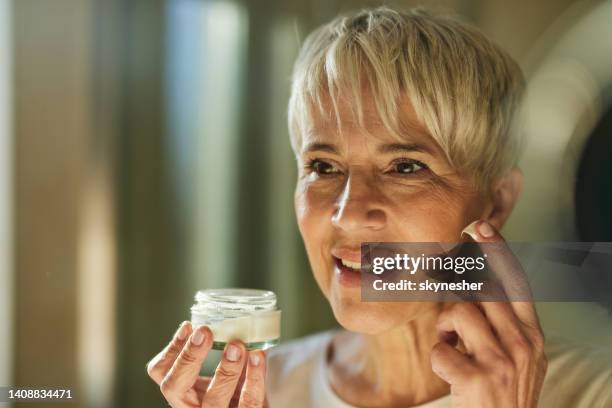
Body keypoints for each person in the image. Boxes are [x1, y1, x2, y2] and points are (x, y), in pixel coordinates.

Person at [146, 7, 612, 407]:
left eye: (406, 167)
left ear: (496, 202)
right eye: (323, 166)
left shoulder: (596, 391)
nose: (347, 213)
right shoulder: (260, 389)